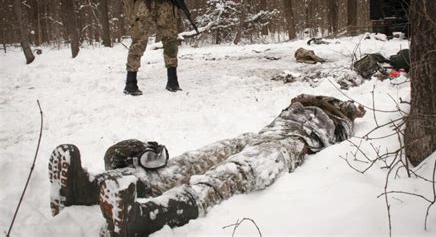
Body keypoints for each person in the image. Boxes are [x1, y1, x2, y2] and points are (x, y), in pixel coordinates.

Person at [48, 95, 365, 236]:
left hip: (292, 142)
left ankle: (146, 217)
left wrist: (347, 108)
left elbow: (356, 111)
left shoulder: (341, 117)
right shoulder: (309, 100)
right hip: (260, 134)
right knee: (191, 161)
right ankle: (88, 187)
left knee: (233, 174)